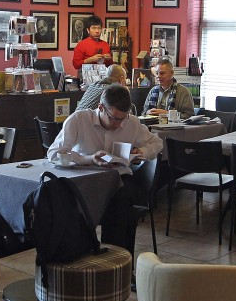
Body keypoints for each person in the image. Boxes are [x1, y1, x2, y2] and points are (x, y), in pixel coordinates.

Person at [46, 84, 162, 254]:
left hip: (119, 178)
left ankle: (117, 260)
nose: (118, 124)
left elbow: (157, 143)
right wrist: (89, 159)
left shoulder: (132, 123)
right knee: (69, 202)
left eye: (123, 118)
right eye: (114, 118)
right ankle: (81, 256)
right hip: (85, 179)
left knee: (121, 200)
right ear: (100, 108)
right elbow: (55, 153)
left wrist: (141, 151)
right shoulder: (79, 120)